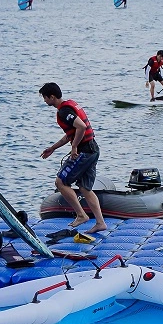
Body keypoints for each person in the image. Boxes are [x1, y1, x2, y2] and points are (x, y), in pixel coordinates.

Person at [39, 82, 107, 233]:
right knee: (84, 188)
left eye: (44, 98)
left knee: (61, 182)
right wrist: (52, 148)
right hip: (93, 149)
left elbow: (81, 127)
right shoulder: (69, 105)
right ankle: (100, 223)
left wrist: (74, 147)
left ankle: (81, 215)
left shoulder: (64, 111)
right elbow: (71, 134)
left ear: (52, 96)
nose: (44, 101)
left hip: (84, 152)